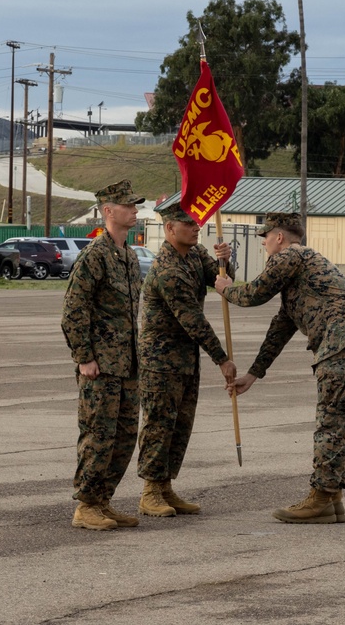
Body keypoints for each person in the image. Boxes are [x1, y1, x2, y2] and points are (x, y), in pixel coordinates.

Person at [214, 212, 345, 524]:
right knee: (343, 423)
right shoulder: (305, 266)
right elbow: (281, 326)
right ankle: (331, 497)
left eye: (266, 237)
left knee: (332, 423)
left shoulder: (290, 255)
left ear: (279, 237)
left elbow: (254, 294)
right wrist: (254, 374)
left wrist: (226, 288)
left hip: (343, 344)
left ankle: (319, 498)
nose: (265, 244)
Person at [136, 203, 236, 517]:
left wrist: (224, 262)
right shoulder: (167, 268)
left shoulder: (194, 255)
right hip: (160, 358)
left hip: (185, 356)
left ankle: (166, 486)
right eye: (189, 224)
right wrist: (222, 359)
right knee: (158, 424)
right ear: (170, 229)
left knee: (181, 423)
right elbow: (192, 319)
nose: (196, 228)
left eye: (197, 223)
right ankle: (150, 491)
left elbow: (220, 281)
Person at [61, 179, 145, 531]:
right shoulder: (94, 255)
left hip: (127, 365)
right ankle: (86, 504)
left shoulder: (127, 255)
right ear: (108, 211)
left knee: (124, 437)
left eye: (135, 205)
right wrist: (84, 357)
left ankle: (104, 500)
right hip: (101, 366)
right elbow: (73, 311)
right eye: (128, 205)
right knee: (98, 434)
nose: (135, 210)